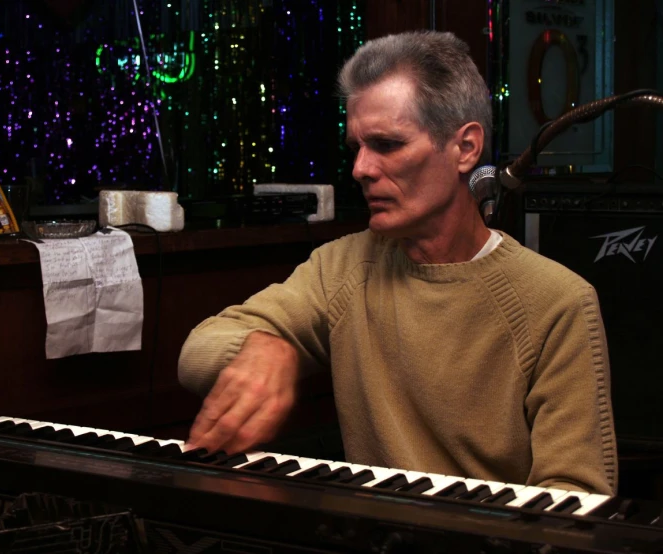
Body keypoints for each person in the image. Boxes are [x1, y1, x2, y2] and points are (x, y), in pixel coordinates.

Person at [178, 30, 617, 495]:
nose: (361, 169)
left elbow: (576, 499)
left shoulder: (558, 302)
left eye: (386, 144)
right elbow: (197, 352)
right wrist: (268, 347)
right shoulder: (341, 268)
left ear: (465, 148)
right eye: (356, 147)